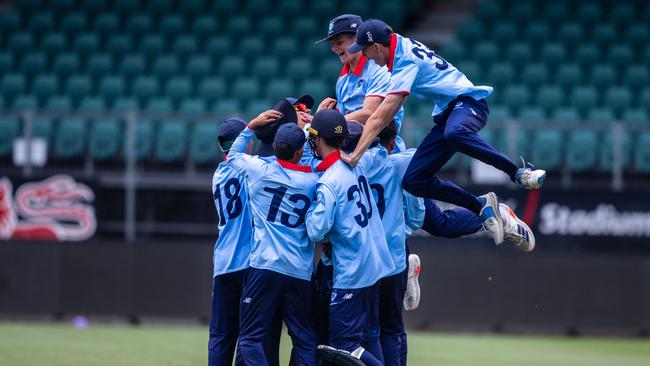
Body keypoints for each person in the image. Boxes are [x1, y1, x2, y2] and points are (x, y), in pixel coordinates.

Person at [342, 19, 547, 246]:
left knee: (455, 134)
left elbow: (379, 117)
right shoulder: (398, 46)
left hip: (469, 103)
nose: (368, 57)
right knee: (413, 181)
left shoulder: (404, 61)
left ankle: (518, 173)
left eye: (366, 51)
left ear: (377, 47)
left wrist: (354, 157)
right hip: (447, 114)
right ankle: (482, 206)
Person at [227, 106, 320, 366]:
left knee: (249, 337)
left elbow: (233, 155)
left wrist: (251, 126)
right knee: (304, 340)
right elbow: (317, 163)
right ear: (300, 152)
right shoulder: (313, 181)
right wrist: (309, 129)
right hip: (299, 270)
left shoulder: (259, 170)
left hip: (265, 265)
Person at [305, 109, 395, 366]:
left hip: (353, 272)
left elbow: (315, 230)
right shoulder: (355, 165)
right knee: (369, 337)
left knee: (344, 345)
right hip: (376, 265)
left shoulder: (329, 181)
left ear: (318, 138)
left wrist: (309, 210)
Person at [315, 14, 406, 151]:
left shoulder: (378, 69)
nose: (334, 48)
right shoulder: (342, 80)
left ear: (357, 39)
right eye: (332, 44)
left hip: (383, 149)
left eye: (339, 42)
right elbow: (343, 121)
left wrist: (325, 121)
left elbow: (370, 112)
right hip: (354, 148)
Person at [209, 118, 254, 366]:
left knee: (220, 335)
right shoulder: (251, 169)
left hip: (223, 262)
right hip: (248, 261)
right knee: (248, 336)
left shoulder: (218, 174)